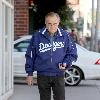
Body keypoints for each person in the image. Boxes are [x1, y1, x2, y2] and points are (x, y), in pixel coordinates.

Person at [25, 12, 77, 100]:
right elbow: (30, 55)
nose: (52, 26)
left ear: (58, 22)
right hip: (42, 75)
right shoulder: (37, 36)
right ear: (45, 23)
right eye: (49, 24)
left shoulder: (65, 36)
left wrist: (65, 63)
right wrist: (29, 74)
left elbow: (72, 53)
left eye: (54, 24)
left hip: (58, 74)